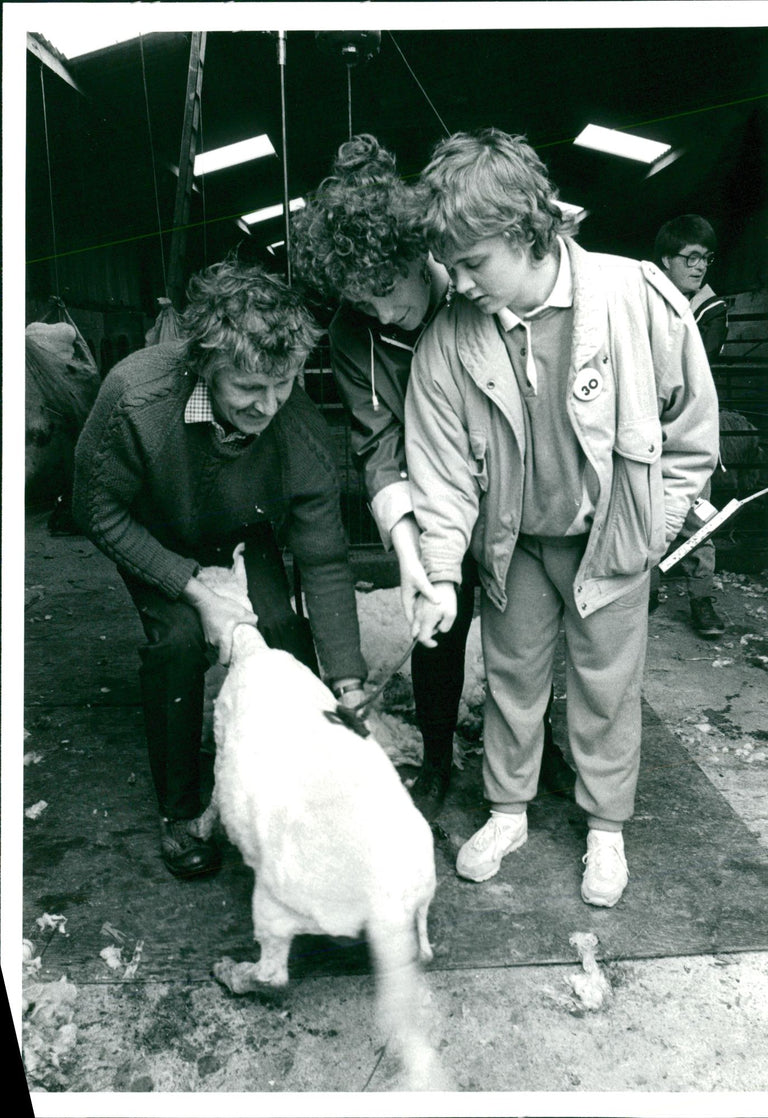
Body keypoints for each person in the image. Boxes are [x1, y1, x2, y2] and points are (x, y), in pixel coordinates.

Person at [404, 129, 719, 906]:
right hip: (517, 544)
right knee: (512, 680)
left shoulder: (635, 297)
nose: (459, 281)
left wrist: (654, 529)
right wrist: (442, 574)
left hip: (609, 540)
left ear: (524, 229)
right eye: (451, 264)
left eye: (473, 262)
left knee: (607, 685)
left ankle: (605, 827)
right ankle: (507, 811)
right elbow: (441, 471)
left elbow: (690, 430)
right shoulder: (451, 337)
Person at [290, 134, 575, 821]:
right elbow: (377, 443)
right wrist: (415, 557)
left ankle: (550, 748)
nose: (383, 313)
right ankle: (441, 758)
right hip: (432, 503)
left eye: (387, 290)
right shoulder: (352, 336)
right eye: (363, 304)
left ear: (423, 256)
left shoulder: (481, 288)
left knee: (535, 625)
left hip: (513, 492)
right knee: (439, 629)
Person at [73, 257, 368, 879]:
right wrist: (192, 589)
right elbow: (95, 509)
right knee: (179, 641)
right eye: (249, 389)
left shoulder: (295, 425)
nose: (269, 406)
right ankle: (181, 812)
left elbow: (323, 557)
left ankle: (295, 782)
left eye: (283, 384)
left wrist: (347, 680)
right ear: (207, 365)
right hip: (153, 526)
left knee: (283, 632)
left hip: (240, 526)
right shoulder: (136, 399)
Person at [651, 215, 728, 637]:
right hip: (648, 430)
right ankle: (646, 590)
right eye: (691, 257)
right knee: (645, 511)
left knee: (699, 517)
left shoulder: (710, 310)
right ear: (667, 259)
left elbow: (694, 371)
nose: (699, 266)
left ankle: (701, 599)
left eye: (706, 258)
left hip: (691, 432)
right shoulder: (647, 302)